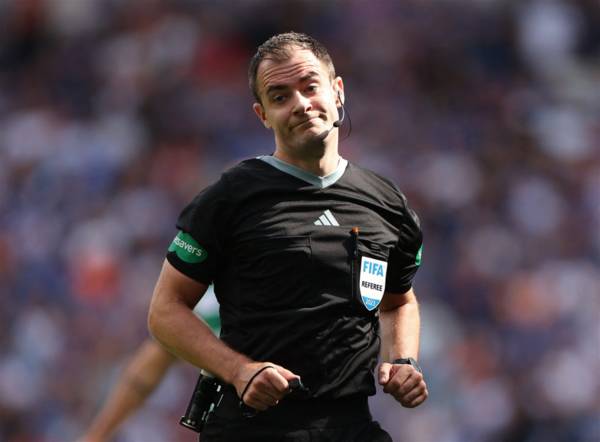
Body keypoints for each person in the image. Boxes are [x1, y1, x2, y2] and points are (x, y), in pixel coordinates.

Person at [148, 31, 428, 441]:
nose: (300, 103)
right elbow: (165, 310)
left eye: (310, 87)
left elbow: (398, 301)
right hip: (253, 428)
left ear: (337, 91)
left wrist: (403, 361)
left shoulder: (386, 203)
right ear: (263, 115)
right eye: (280, 97)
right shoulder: (231, 197)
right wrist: (239, 371)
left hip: (350, 425)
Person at [78, 294, 220, 442]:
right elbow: (154, 361)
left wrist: (97, 435)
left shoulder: (216, 301)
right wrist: (97, 435)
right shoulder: (213, 304)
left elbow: (152, 362)